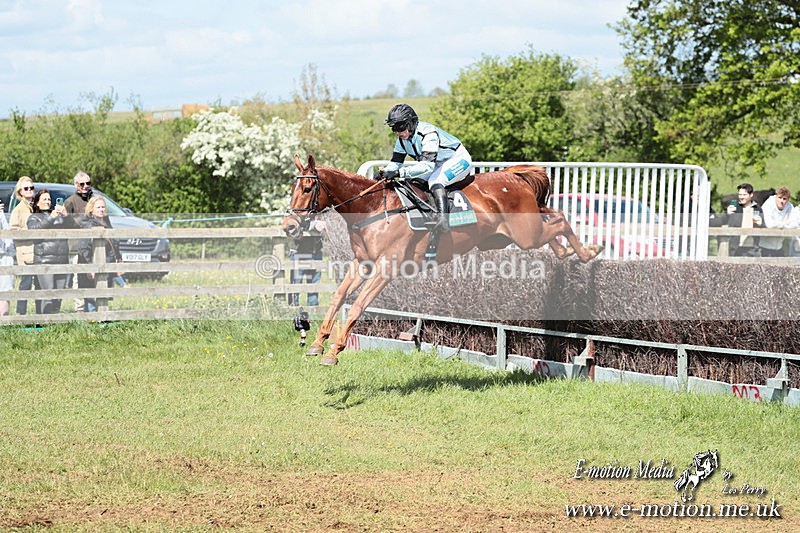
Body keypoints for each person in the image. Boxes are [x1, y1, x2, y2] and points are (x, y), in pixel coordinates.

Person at [376, 103, 473, 233]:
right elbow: (396, 162)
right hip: (437, 163)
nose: (397, 132)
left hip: (458, 159)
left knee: (435, 181)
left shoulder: (428, 133)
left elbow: (427, 166)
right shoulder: (402, 140)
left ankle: (443, 220)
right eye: (394, 128)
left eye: (400, 127)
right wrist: (385, 171)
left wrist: (399, 173)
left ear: (411, 123)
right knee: (415, 182)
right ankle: (429, 214)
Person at [26, 189, 79, 314]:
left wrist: (66, 215)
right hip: (44, 261)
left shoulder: (60, 217)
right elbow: (34, 230)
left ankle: (55, 321)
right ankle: (44, 321)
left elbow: (75, 227)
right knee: (48, 294)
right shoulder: (33, 217)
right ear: (37, 203)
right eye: (44, 199)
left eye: (49, 199)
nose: (47, 202)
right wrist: (51, 217)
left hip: (61, 260)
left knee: (58, 295)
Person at [77, 196, 122, 312]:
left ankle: (102, 319)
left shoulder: (106, 221)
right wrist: (89, 267)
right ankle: (94, 320)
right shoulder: (87, 224)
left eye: (103, 207)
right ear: (91, 209)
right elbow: (83, 248)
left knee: (103, 296)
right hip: (93, 265)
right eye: (98, 207)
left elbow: (113, 242)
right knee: (92, 298)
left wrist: (118, 258)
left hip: (106, 264)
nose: (101, 209)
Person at [8, 176, 38, 314]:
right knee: (26, 283)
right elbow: (13, 230)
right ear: (20, 191)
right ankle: (21, 313)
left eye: (31, 187)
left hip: (37, 251)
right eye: (26, 188)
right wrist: (30, 230)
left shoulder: (34, 206)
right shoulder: (18, 210)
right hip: (25, 252)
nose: (29, 190)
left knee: (38, 283)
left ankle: (40, 313)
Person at [718, 182, 764, 256]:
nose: (741, 197)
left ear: (751, 195)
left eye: (744, 195)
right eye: (740, 194)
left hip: (753, 249)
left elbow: (764, 226)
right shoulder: (734, 207)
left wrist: (760, 223)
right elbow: (720, 221)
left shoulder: (758, 208)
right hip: (735, 248)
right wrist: (727, 213)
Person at [288, 220, 325, 307]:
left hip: (316, 252)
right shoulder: (296, 214)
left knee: (314, 283)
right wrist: (314, 224)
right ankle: (293, 308)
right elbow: (294, 225)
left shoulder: (320, 213)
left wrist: (324, 223)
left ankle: (313, 309)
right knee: (296, 283)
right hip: (299, 252)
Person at [759, 187, 794, 257]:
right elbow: (769, 224)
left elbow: (794, 223)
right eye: (779, 198)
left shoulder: (790, 206)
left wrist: (779, 224)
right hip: (764, 247)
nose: (781, 201)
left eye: (784, 199)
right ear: (775, 196)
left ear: (788, 199)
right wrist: (785, 223)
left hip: (779, 247)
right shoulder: (768, 204)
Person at [0, 198, 15, 316]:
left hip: (3, 255)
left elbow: (6, 232)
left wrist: (10, 254)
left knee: (5, 290)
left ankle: (3, 320)